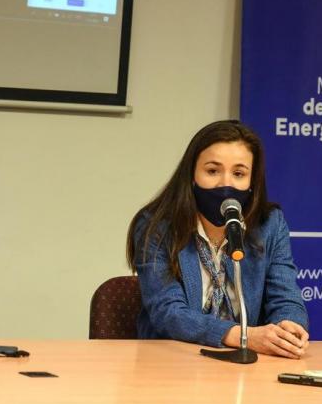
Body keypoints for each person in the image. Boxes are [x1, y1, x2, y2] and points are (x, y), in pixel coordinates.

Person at [127, 119, 309, 358]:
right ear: (192, 175)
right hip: (173, 360)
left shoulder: (270, 224)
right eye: (212, 171)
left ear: (252, 182)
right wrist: (241, 335)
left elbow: (286, 296)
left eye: (239, 173)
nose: (226, 184)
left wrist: (288, 328)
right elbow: (168, 312)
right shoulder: (157, 225)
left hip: (245, 365)